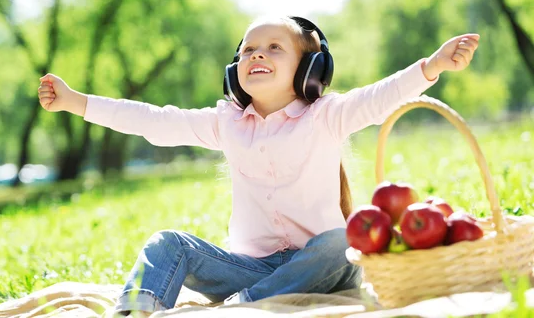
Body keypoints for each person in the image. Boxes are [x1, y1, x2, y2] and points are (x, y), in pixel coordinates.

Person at [37, 16, 479, 317]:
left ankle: (243, 308)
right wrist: (78, 102)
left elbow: (382, 96)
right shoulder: (225, 123)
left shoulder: (328, 114)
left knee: (344, 237)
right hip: (248, 268)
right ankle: (138, 308)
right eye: (248, 50)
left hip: (319, 267)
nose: (256, 55)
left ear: (310, 69)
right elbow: (154, 120)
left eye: (273, 48)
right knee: (167, 242)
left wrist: (431, 66)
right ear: (235, 73)